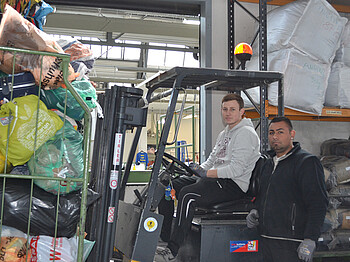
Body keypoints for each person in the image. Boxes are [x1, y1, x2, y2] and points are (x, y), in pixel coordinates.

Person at [154, 93, 261, 262]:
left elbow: (236, 169)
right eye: (225, 109)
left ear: (242, 112)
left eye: (232, 109)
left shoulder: (246, 134)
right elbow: (212, 161)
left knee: (188, 195)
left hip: (232, 185)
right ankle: (165, 237)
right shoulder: (224, 133)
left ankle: (173, 250)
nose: (228, 113)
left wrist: (206, 174)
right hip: (214, 180)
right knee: (166, 185)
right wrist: (197, 170)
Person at [246, 116, 328, 262]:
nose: (275, 137)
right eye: (271, 133)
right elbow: (263, 195)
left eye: (280, 132)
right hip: (266, 240)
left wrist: (310, 239)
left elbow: (318, 203)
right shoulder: (266, 163)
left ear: (292, 134)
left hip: (292, 244)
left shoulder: (306, 162)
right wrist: (255, 210)